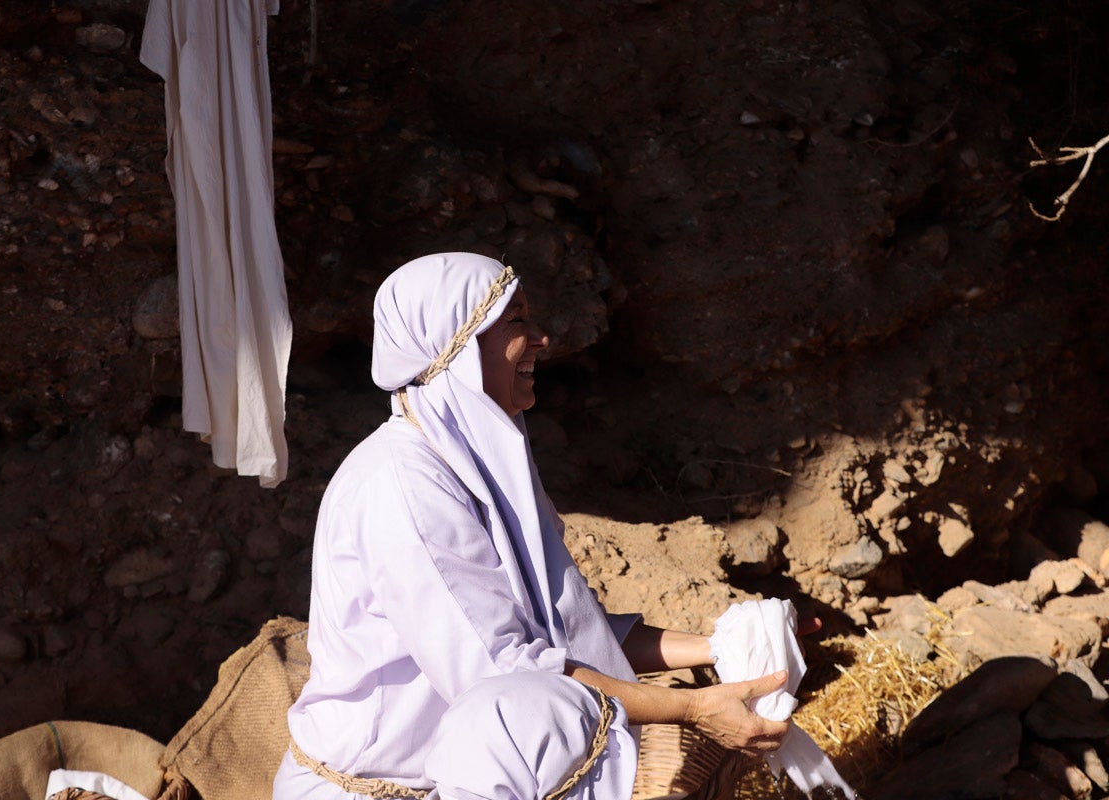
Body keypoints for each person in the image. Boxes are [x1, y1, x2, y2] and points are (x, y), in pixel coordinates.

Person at [274, 252, 795, 800]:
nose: (544, 339)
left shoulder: (472, 461)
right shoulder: (403, 483)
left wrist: (727, 646)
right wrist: (691, 709)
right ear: (459, 343)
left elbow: (561, 634)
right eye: (517, 320)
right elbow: (506, 675)